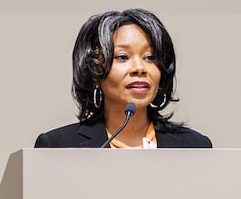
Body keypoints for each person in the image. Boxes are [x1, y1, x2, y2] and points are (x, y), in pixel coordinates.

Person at [34, 9, 212, 149]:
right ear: (94, 71)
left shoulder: (194, 146)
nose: (140, 68)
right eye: (122, 57)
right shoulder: (58, 146)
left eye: (150, 57)